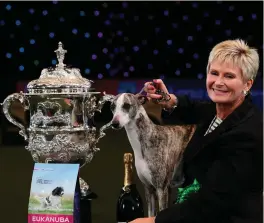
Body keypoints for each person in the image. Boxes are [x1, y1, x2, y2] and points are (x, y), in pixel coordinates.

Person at [129, 39, 263, 223]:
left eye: (229, 76)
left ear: (247, 84)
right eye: (214, 73)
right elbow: (195, 108)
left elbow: (211, 203)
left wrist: (155, 221)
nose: (218, 82)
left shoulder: (248, 135)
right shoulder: (217, 111)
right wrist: (169, 100)